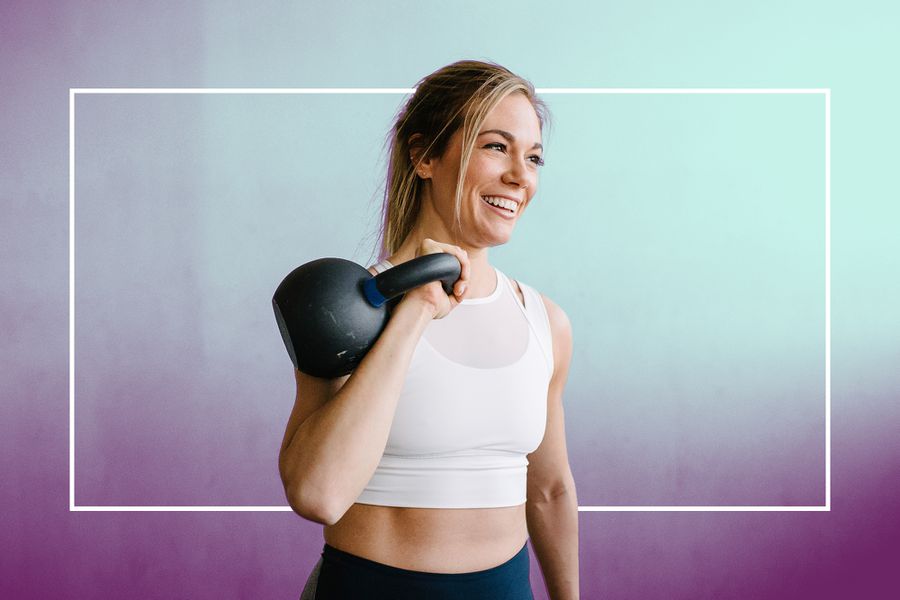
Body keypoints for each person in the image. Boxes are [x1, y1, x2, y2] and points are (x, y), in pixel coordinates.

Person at [279, 59, 579, 599]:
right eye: (495, 147)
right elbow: (317, 493)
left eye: (533, 157)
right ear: (423, 156)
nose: (520, 175)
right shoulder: (350, 310)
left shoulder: (545, 322)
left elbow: (551, 492)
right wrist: (414, 310)